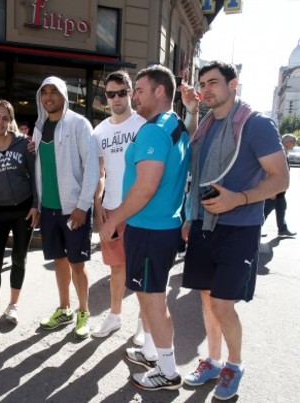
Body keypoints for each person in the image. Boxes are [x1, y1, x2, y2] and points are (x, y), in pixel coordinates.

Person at [180, 61, 289, 400]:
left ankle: (234, 365)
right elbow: (196, 171)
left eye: (213, 82)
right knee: (206, 299)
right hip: (203, 223)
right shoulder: (207, 124)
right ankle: (212, 360)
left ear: (233, 84)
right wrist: (190, 216)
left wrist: (239, 199)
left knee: (224, 304)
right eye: (202, 83)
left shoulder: (256, 125)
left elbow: (281, 179)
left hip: (239, 226)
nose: (206, 88)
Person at [99, 65, 190, 391]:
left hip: (149, 229)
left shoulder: (153, 130)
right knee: (151, 294)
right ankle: (152, 352)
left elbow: (145, 186)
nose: (133, 95)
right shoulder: (176, 124)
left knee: (152, 299)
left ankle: (167, 371)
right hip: (160, 228)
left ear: (160, 91)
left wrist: (113, 219)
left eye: (138, 90)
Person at [33, 76, 99, 339]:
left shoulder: (78, 124)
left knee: (77, 263)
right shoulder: (39, 128)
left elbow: (92, 166)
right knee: (59, 261)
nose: (48, 97)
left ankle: (84, 311)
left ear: (64, 96)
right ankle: (64, 309)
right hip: (48, 209)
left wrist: (83, 206)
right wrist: (37, 205)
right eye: (44, 92)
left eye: (54, 92)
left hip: (74, 209)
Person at [92, 71, 146, 342]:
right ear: (106, 97)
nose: (116, 98)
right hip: (111, 209)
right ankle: (114, 316)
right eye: (111, 94)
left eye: (121, 92)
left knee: (140, 268)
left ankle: (143, 322)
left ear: (130, 93)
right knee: (116, 267)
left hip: (139, 208)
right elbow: (100, 172)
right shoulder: (99, 131)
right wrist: (97, 201)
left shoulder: (143, 125)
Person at [0, 100, 39, 329]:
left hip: (23, 209)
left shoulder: (24, 144)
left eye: (5, 117)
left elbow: (35, 176)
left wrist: (36, 205)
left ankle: (13, 305)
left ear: (10, 121)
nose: (0, 121)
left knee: (19, 259)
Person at [263, 133, 297, 237]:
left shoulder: (283, 151)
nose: (294, 145)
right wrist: (273, 191)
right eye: (294, 142)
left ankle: (282, 229)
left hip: (279, 189)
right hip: (275, 189)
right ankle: (255, 228)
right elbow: (273, 170)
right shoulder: (279, 152)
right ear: (288, 142)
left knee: (281, 207)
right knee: (266, 210)